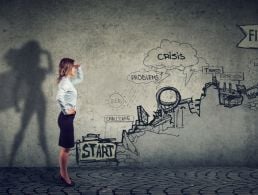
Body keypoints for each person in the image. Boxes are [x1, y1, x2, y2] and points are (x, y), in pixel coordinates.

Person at [56, 58, 84, 186]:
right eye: (72, 67)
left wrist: (79, 68)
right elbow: (59, 97)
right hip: (66, 119)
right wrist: (67, 110)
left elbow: (80, 79)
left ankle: (63, 174)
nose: (74, 69)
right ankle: (64, 176)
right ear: (68, 68)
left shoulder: (67, 81)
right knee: (66, 149)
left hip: (67, 119)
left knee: (65, 148)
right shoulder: (64, 83)